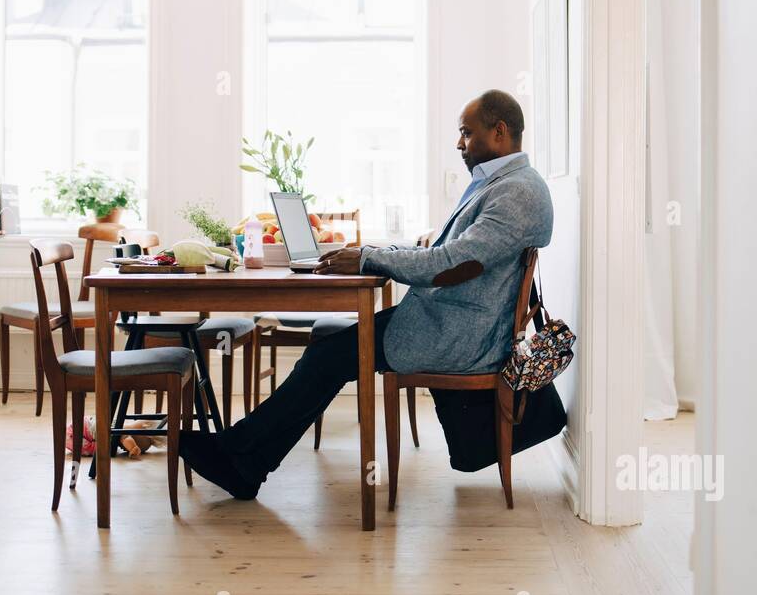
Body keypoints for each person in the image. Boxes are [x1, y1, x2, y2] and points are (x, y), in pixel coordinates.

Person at [179, 89, 558, 499]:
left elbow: (448, 265)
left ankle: (241, 460)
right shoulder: (503, 184)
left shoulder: (517, 192)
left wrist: (368, 259)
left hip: (457, 333)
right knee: (328, 346)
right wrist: (374, 254)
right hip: (448, 320)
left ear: (499, 132)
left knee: (328, 354)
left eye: (466, 133)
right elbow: (442, 255)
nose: (458, 144)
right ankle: (244, 458)